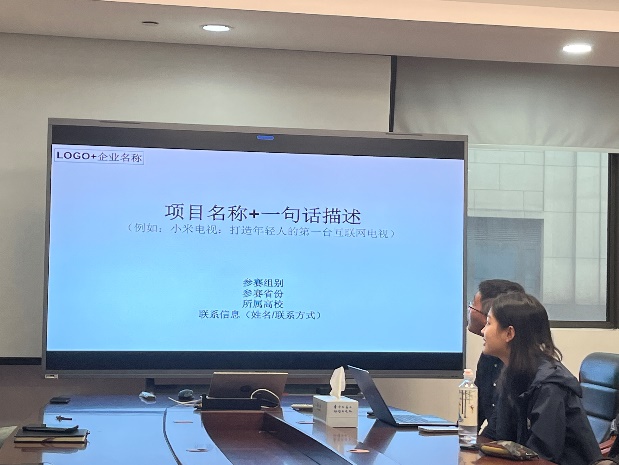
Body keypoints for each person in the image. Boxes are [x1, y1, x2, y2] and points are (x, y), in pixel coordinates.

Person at [481, 292, 601, 465]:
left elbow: (542, 457)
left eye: (488, 323)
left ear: (509, 333)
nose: (483, 331)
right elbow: (498, 436)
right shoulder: (512, 374)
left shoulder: (549, 385)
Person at [468, 279, 524, 430]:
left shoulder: (523, 366)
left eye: (472, 304)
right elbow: (476, 411)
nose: (469, 310)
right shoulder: (489, 355)